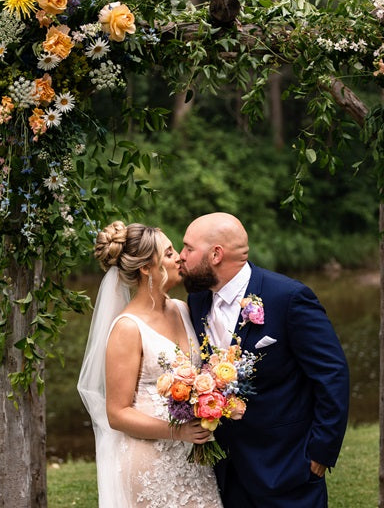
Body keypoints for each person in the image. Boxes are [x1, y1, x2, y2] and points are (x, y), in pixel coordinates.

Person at [179, 212, 350, 507]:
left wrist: (320, 452)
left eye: (188, 248)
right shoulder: (197, 301)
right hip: (225, 471)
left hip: (286, 466)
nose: (181, 256)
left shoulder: (288, 298)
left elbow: (332, 375)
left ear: (216, 254)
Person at [77, 221, 224, 508]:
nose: (179, 257)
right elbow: (116, 414)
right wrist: (178, 431)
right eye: (169, 254)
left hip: (191, 457)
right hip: (151, 461)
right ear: (146, 267)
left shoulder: (183, 309)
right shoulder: (127, 328)